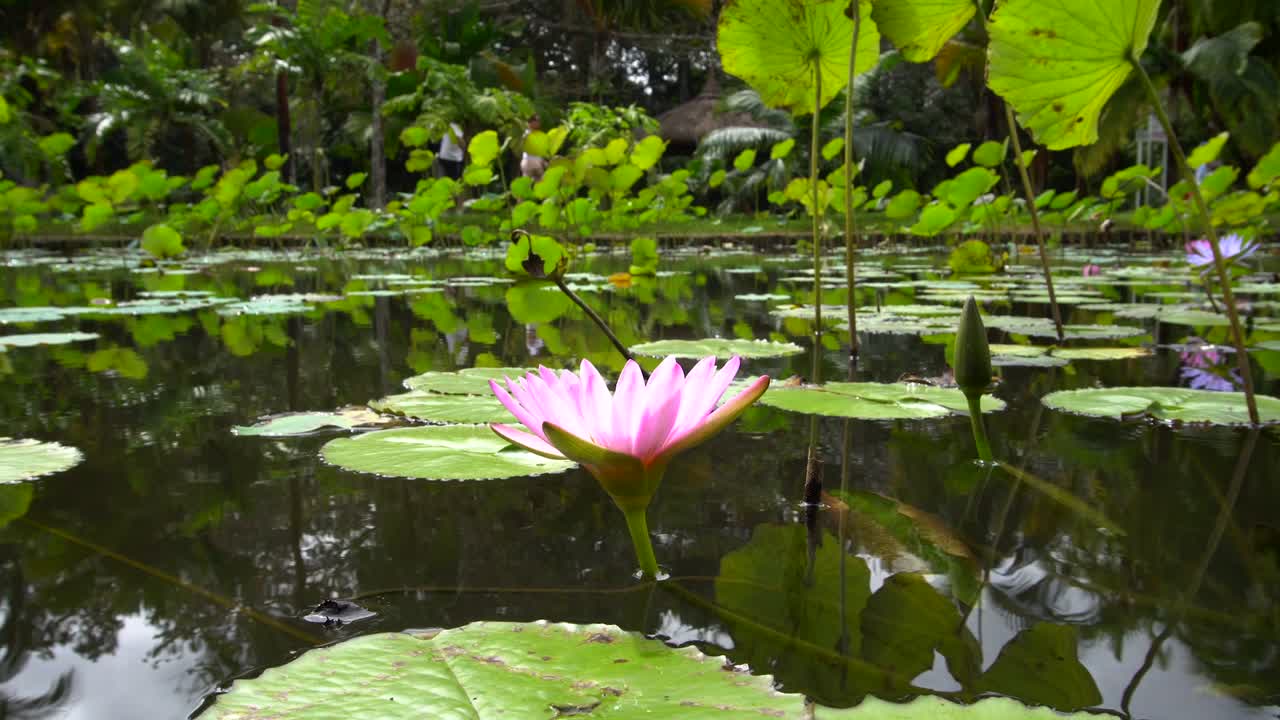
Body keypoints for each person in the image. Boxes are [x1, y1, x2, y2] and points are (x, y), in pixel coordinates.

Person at [520, 117, 548, 181]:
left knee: (541, 184)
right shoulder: (527, 134)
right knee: (526, 184)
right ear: (530, 123)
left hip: (538, 163)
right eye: (536, 121)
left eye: (539, 121)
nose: (539, 123)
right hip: (528, 162)